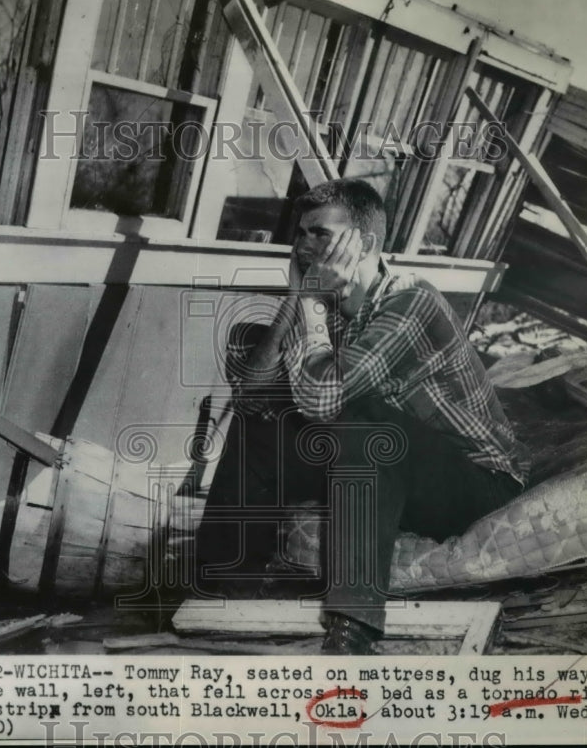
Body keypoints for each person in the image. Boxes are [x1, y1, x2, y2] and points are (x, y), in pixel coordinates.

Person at [193, 178, 530, 654]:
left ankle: (353, 628)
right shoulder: (326, 305)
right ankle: (222, 586)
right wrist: (297, 299)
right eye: (301, 234)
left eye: (321, 234)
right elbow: (248, 396)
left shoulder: (412, 301)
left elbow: (324, 402)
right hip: (395, 469)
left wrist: (308, 301)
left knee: (366, 422)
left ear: (365, 243)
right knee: (263, 425)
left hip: (476, 479)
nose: (305, 246)